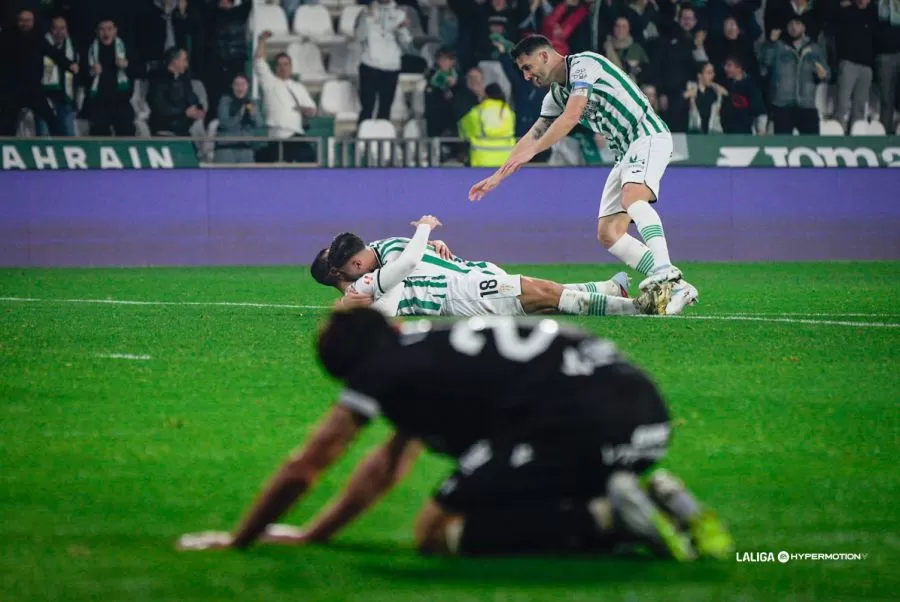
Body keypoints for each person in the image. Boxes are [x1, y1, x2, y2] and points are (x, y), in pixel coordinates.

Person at [177, 308, 734, 559]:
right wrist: (311, 535)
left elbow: (309, 465)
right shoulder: (428, 351)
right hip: (643, 414)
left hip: (579, 422)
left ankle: (606, 516)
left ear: (349, 373)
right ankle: (650, 492)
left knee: (436, 532)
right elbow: (386, 467)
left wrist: (241, 537)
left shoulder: (383, 370)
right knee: (500, 483)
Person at [467, 35, 698, 317]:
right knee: (609, 234)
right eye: (522, 71)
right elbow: (532, 136)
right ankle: (679, 288)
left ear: (544, 56)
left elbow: (572, 117)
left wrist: (535, 151)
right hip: (624, 151)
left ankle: (664, 270)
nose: (527, 76)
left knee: (633, 198)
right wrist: (498, 176)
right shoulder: (556, 95)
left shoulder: (584, 64)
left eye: (527, 67)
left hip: (646, 135)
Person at [312, 217, 679, 318]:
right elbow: (405, 267)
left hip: (470, 281)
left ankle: (613, 293)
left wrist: (433, 247)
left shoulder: (376, 268)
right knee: (545, 294)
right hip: (462, 295)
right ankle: (633, 307)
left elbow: (405, 268)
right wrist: (425, 227)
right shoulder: (370, 281)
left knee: (547, 295)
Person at [0, 8, 77, 136]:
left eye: (28, 20)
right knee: (6, 123)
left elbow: (53, 52)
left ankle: (59, 148)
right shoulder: (6, 37)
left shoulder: (38, 36)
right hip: (12, 89)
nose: (25, 23)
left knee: (51, 120)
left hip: (33, 88)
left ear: (33, 21)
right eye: (22, 20)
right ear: (17, 21)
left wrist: (69, 65)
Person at [254, 31, 317, 163]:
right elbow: (259, 61)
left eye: (286, 64)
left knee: (309, 160)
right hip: (276, 136)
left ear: (291, 67)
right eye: (280, 65)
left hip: (295, 135)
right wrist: (262, 41)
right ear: (275, 67)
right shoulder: (269, 82)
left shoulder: (299, 87)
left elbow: (312, 109)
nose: (283, 68)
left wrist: (306, 110)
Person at [759, 19, 829, 135]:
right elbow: (764, 67)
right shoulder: (778, 46)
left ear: (804, 27)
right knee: (782, 148)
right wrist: (770, 43)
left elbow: (826, 74)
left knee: (812, 146)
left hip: (807, 105)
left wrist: (823, 74)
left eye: (797, 24)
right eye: (790, 24)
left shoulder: (815, 49)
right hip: (782, 105)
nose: (794, 27)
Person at [84, 18, 136, 137]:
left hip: (121, 100)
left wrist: (127, 65)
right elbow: (81, 77)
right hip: (99, 102)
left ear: (115, 31)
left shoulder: (125, 48)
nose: (106, 33)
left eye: (109, 29)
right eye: (102, 29)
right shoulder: (89, 50)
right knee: (98, 133)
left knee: (127, 131)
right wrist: (91, 71)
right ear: (97, 32)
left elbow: (139, 70)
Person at [148, 46, 205, 136]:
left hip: (184, 128)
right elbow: (161, 107)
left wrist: (198, 110)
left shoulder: (184, 79)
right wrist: (184, 112)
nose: (186, 65)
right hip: (164, 127)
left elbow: (192, 98)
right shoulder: (158, 80)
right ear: (175, 61)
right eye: (184, 60)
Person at [458, 83, 516, 167]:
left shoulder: (476, 112)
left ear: (485, 95)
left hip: (481, 159)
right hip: (506, 159)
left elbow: (463, 131)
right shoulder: (509, 113)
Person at [38, 15, 78, 137]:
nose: (59, 32)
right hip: (44, 98)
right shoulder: (40, 47)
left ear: (67, 30)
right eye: (55, 28)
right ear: (50, 30)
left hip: (65, 98)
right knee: (44, 136)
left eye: (62, 28)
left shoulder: (74, 48)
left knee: (69, 135)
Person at [214, 73, 263, 164]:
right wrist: (239, 114)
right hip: (226, 148)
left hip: (245, 149)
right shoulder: (225, 100)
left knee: (246, 177)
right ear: (232, 86)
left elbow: (259, 124)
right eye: (236, 84)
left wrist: (253, 115)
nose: (240, 88)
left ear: (248, 86)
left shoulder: (251, 103)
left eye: (243, 84)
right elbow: (224, 123)